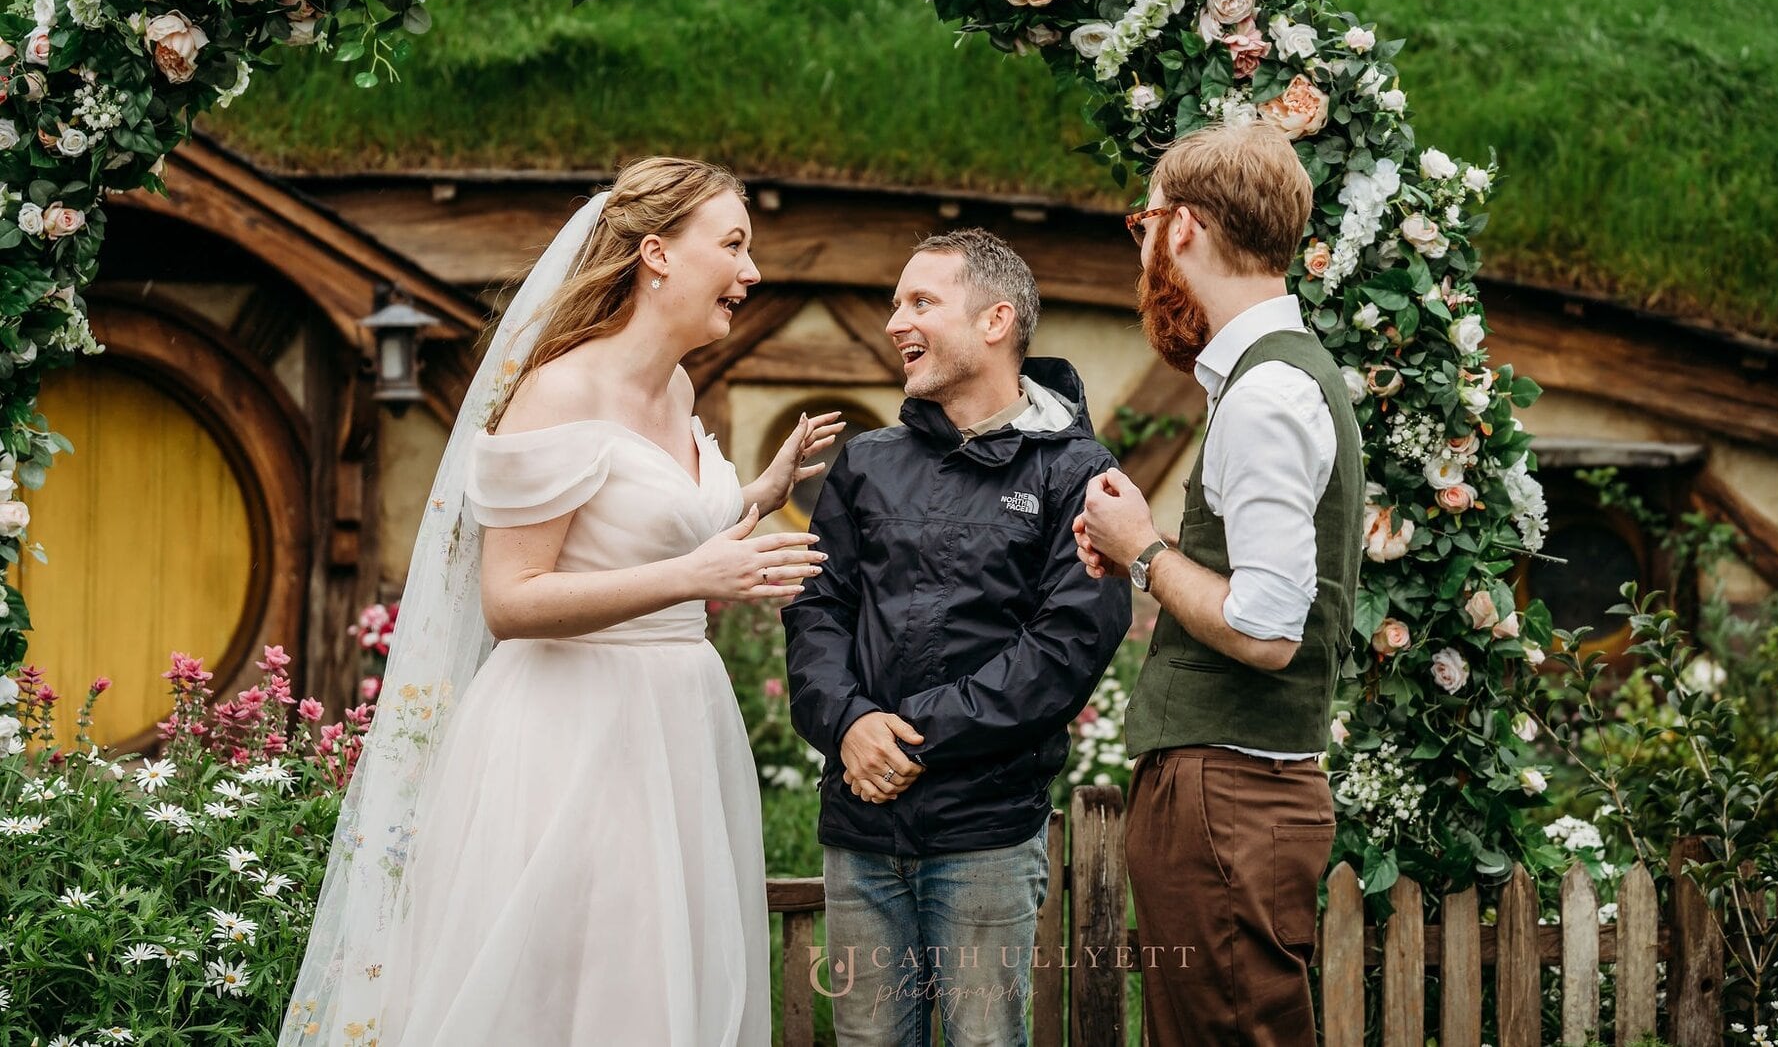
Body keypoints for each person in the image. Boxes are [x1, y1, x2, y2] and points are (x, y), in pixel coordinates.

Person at [283, 157, 843, 1047]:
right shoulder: (559, 390)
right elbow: (511, 599)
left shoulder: (677, 387)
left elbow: (639, 529)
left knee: (658, 981)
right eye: (734, 245)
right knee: (571, 988)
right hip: (572, 731)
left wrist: (753, 496)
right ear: (657, 254)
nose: (752, 271)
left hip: (680, 726)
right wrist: (695, 577)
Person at [784, 229, 1129, 1047]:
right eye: (895, 303)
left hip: (986, 835)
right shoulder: (866, 464)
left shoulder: (1077, 471)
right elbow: (815, 606)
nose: (894, 321)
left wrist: (908, 733)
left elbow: (1066, 646)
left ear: (995, 320)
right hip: (860, 829)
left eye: (920, 301)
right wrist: (847, 722)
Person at [1074, 121, 1365, 1047]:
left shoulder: (1266, 394)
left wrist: (1144, 553)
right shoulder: (1276, 377)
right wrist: (1142, 545)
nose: (1144, 252)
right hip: (1234, 794)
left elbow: (1268, 628)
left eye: (1144, 225)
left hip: (1226, 797)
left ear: (1185, 227)